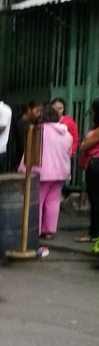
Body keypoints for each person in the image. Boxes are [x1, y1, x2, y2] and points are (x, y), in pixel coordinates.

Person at [21, 104, 72, 240]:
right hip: (61, 172)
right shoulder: (66, 134)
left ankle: (35, 230)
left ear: (42, 117)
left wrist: (22, 170)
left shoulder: (38, 131)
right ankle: (48, 231)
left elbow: (30, 153)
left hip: (42, 173)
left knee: (37, 202)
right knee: (53, 202)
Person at [75, 98, 99, 249]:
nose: (91, 114)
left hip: (96, 165)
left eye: (92, 111)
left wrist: (83, 143)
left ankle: (93, 233)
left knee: (96, 200)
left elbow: (84, 146)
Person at [13, 100, 42, 169]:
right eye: (37, 111)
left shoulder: (32, 122)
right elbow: (21, 143)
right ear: (29, 109)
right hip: (22, 157)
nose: (39, 113)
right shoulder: (21, 123)